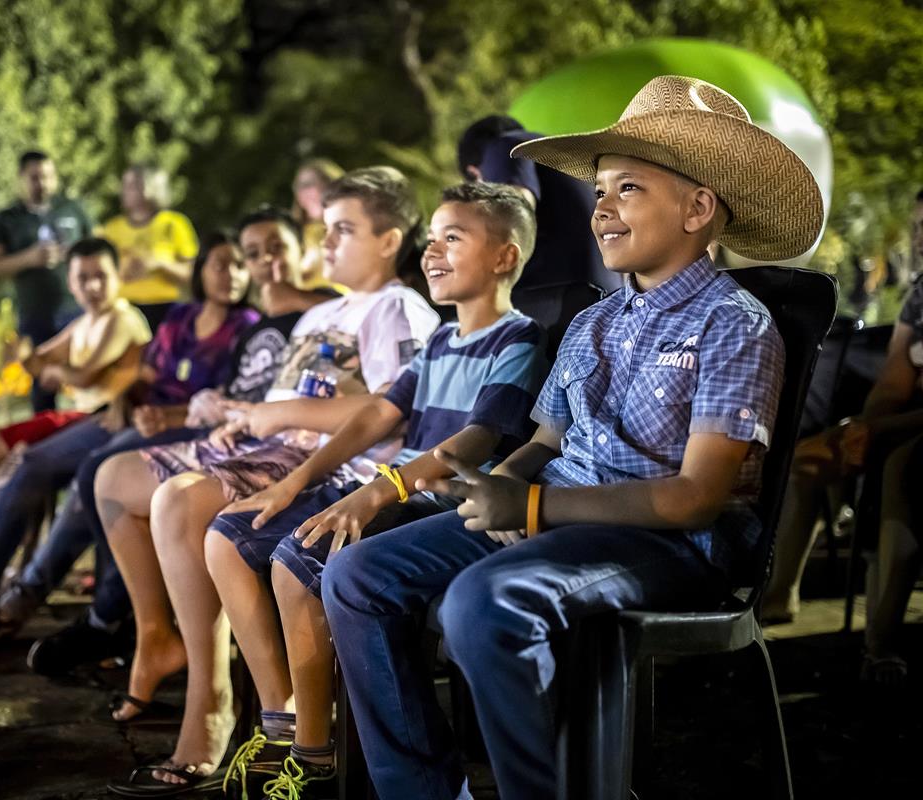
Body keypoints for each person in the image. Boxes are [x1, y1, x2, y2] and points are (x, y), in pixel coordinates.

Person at [323, 75, 823, 799]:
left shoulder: (733, 325)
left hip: (669, 543)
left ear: (698, 207)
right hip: (555, 512)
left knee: (482, 603)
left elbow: (695, 499)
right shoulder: (593, 323)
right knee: (357, 575)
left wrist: (528, 512)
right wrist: (505, 484)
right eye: (600, 193)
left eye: (628, 190)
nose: (603, 210)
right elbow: (548, 441)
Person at [97, 166, 440, 795]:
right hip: (267, 444)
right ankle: (160, 636)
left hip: (322, 458)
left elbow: (392, 411)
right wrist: (239, 420)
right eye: (325, 230)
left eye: (342, 231)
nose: (326, 244)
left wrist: (273, 415)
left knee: (181, 501)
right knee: (114, 475)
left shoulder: (397, 308)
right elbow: (282, 400)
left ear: (389, 240)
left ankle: (214, 701)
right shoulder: (317, 318)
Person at [205, 181, 547, 798]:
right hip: (394, 492)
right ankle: (293, 732)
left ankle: (314, 758)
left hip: (437, 502)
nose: (432, 251)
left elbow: (470, 445)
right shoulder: (441, 339)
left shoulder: (517, 338)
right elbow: (375, 416)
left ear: (505, 258)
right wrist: (295, 481)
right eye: (433, 237)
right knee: (243, 532)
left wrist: (378, 491)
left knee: (298, 560)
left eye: (454, 238)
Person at [17, 207, 335, 677]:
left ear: (299, 252)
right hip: (221, 430)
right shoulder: (247, 328)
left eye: (276, 249)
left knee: (142, 488)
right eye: (253, 254)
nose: (265, 262)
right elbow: (219, 396)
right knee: (97, 475)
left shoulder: (323, 311)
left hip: (275, 446)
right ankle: (129, 624)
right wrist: (139, 400)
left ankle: (109, 619)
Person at [0, 233, 257, 652]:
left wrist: (162, 415)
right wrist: (124, 395)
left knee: (93, 476)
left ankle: (16, 603)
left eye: (239, 265)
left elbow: (228, 400)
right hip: (129, 414)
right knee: (26, 463)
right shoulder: (180, 318)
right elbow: (147, 374)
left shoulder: (247, 330)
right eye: (220, 264)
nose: (232, 274)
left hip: (176, 427)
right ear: (201, 270)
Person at [764, 272, 923, 684]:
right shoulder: (918, 295)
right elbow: (892, 382)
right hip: (898, 420)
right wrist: (863, 427)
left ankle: (881, 643)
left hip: (913, 432)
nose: (921, 241)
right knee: (805, 459)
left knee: (899, 467)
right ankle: (781, 593)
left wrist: (878, 432)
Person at [0, 239, 152, 523]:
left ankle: (7, 555)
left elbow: (85, 376)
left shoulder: (122, 319)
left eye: (101, 276)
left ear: (118, 276)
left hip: (104, 420)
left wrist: (57, 373)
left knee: (21, 461)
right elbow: (38, 361)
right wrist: (22, 352)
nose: (93, 286)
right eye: (83, 278)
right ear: (71, 283)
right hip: (79, 418)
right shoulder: (83, 323)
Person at [0, 150, 94, 412]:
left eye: (48, 176)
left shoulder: (72, 209)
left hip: (77, 311)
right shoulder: (7, 219)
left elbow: (99, 251)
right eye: (35, 177)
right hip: (35, 315)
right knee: (42, 387)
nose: (43, 183)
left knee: (89, 382)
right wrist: (28, 259)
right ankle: (46, 445)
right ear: (21, 178)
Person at [458, 115, 619, 296]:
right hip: (608, 295)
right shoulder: (562, 156)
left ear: (474, 173)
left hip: (562, 302)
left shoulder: (506, 146)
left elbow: (513, 211)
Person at [98, 164, 199, 323]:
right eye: (124, 185)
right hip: (124, 309)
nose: (124, 191)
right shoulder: (111, 229)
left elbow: (194, 275)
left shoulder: (174, 224)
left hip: (167, 310)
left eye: (132, 185)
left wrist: (158, 264)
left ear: (152, 187)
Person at [291, 158, 344, 291]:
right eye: (299, 186)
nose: (304, 192)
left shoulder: (352, 228)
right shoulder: (294, 234)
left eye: (310, 184)